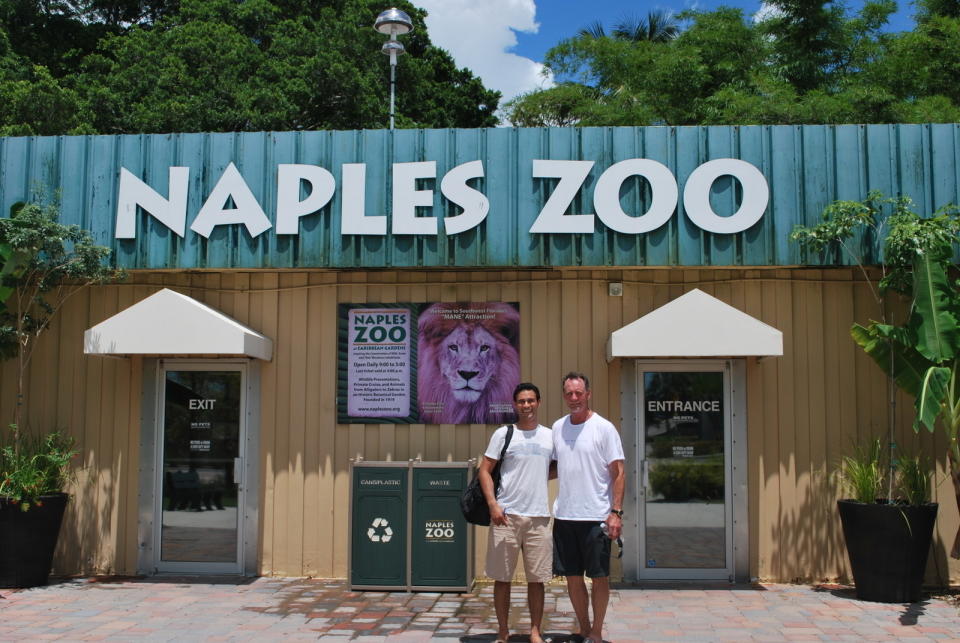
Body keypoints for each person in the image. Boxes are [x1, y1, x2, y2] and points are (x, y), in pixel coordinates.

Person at [551, 372, 625, 643]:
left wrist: (615, 512)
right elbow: (555, 466)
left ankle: (597, 630)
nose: (574, 399)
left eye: (578, 393)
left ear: (588, 394)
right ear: (564, 396)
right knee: (572, 578)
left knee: (599, 577)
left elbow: (619, 472)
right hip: (565, 515)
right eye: (569, 394)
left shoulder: (604, 429)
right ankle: (583, 627)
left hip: (596, 518)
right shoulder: (558, 427)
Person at [478, 382, 554, 643]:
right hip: (506, 517)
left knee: (537, 580)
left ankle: (535, 631)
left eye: (531, 400)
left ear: (538, 402)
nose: (526, 405)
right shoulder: (504, 434)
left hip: (539, 518)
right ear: (515, 404)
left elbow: (554, 468)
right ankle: (503, 631)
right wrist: (493, 505)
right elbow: (484, 470)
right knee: (502, 578)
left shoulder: (549, 436)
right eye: (521, 401)